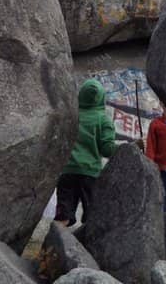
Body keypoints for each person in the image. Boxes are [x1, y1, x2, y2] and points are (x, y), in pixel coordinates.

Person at [54, 78, 119, 227]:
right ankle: (86, 249)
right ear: (101, 98)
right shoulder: (104, 120)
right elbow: (107, 150)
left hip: (67, 172)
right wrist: (133, 146)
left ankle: (50, 247)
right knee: (93, 216)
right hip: (90, 174)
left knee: (63, 216)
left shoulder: (71, 117)